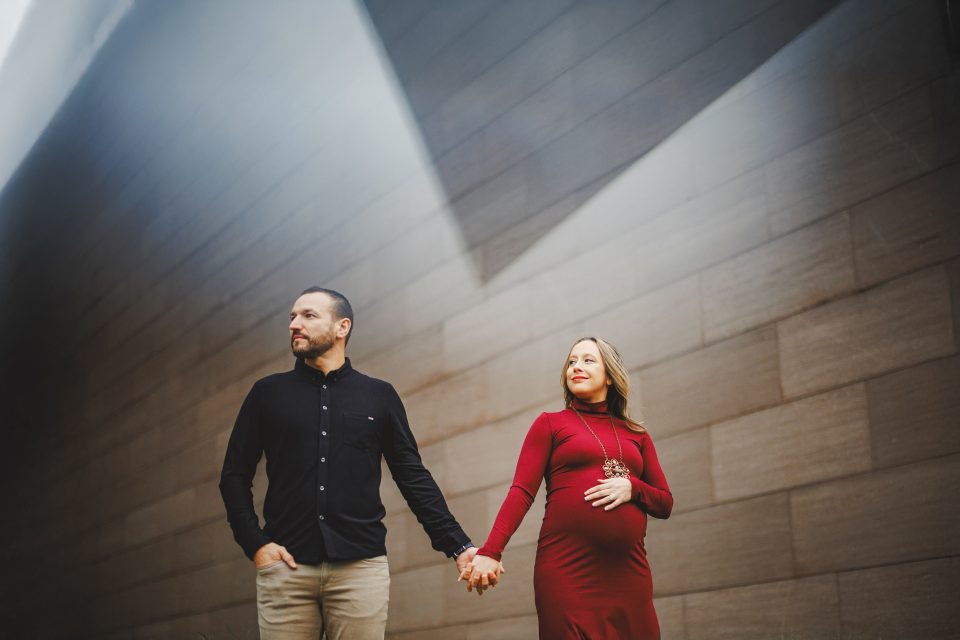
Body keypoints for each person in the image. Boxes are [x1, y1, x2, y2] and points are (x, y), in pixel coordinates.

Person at [219, 287, 478, 640]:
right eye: (292, 316)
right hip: (286, 568)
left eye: (308, 316)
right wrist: (256, 544)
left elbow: (412, 477)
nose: (295, 324)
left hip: (360, 568)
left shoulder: (379, 396)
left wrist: (459, 546)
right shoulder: (267, 393)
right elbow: (234, 475)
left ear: (342, 327)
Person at [462, 337, 673, 639]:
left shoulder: (636, 434)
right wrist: (491, 551)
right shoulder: (550, 424)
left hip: (629, 574)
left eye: (588, 360)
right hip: (567, 572)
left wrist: (633, 488)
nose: (576, 367)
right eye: (572, 361)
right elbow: (521, 491)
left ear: (610, 376)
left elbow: (665, 503)